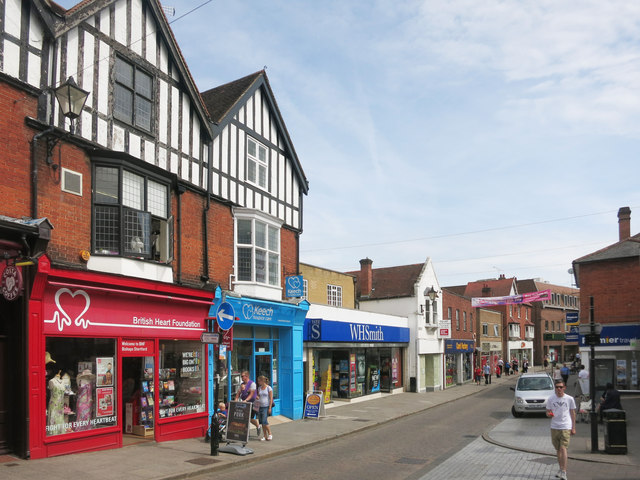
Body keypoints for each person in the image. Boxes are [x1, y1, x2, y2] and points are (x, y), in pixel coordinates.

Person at [546, 380, 576, 480]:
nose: (559, 389)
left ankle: (564, 471)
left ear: (564, 388)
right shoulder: (551, 399)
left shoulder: (569, 399)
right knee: (558, 449)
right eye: (557, 387)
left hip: (565, 426)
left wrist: (573, 427)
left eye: (560, 387)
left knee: (563, 448)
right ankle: (560, 469)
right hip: (554, 427)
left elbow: (572, 413)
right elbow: (548, 412)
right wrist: (549, 414)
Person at [235, 371, 260, 436]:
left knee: (250, 418)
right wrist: (235, 400)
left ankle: (258, 426)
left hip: (253, 403)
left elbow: (251, 394)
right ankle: (245, 433)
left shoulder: (252, 384)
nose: (241, 377)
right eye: (241, 376)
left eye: (242, 376)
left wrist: (246, 400)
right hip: (245, 404)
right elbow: (238, 393)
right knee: (245, 418)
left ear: (247, 376)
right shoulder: (242, 384)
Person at [255, 375, 273, 441]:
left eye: (259, 381)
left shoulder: (269, 388)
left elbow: (271, 398)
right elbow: (258, 397)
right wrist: (256, 397)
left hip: (266, 406)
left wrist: (270, 408)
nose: (258, 383)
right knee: (261, 422)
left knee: (264, 421)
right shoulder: (259, 388)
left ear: (262, 381)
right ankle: (265, 435)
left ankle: (270, 434)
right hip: (260, 406)